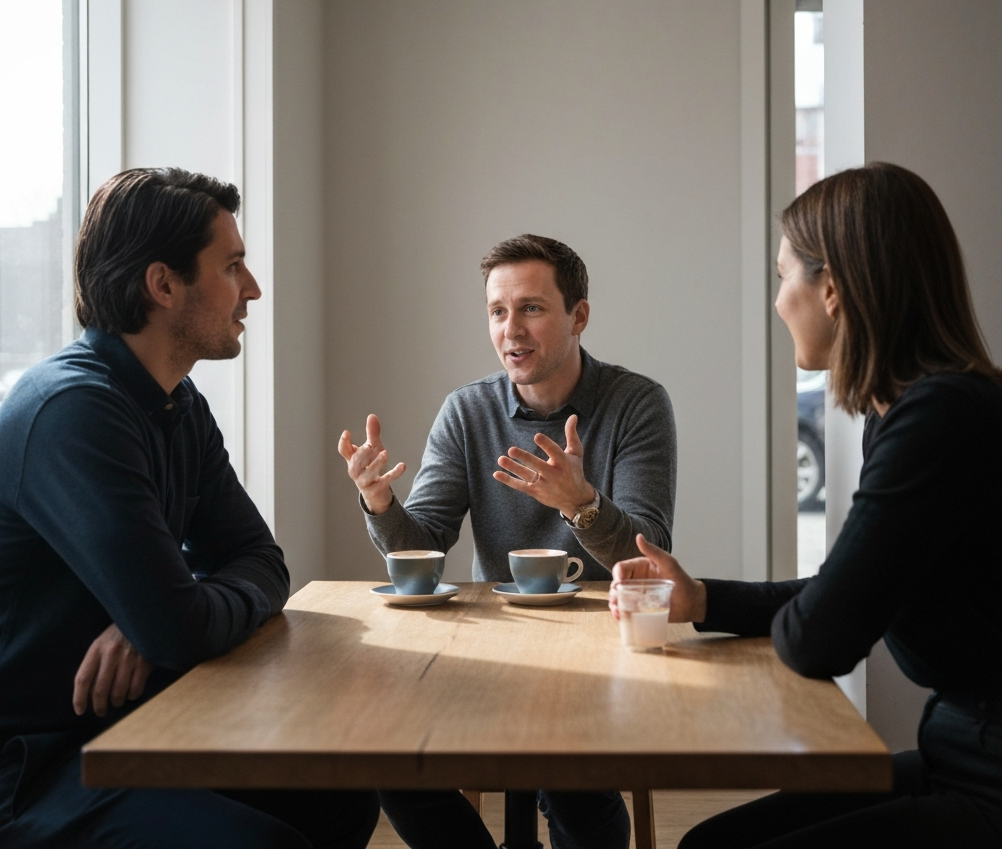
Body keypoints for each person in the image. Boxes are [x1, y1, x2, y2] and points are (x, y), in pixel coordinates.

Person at [0, 169, 380, 849]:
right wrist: (163, 620)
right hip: (26, 768)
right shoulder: (73, 412)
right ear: (163, 286)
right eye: (232, 267)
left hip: (134, 727)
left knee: (339, 802)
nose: (252, 289)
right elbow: (182, 629)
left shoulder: (178, 405)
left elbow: (263, 564)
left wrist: (158, 619)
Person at [610, 163, 1002, 849]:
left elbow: (824, 636)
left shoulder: (937, 419)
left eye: (782, 274)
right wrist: (700, 598)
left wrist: (820, 612)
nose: (778, 299)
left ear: (833, 290)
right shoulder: (918, 408)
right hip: (959, 752)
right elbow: (847, 596)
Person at [338, 234, 677, 849]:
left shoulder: (636, 404)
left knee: (572, 781)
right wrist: (381, 503)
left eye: (531, 308)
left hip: (601, 653)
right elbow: (425, 545)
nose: (510, 329)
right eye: (498, 311)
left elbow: (647, 558)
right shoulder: (467, 412)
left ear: (578, 316)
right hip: (495, 647)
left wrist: (582, 504)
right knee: (388, 759)